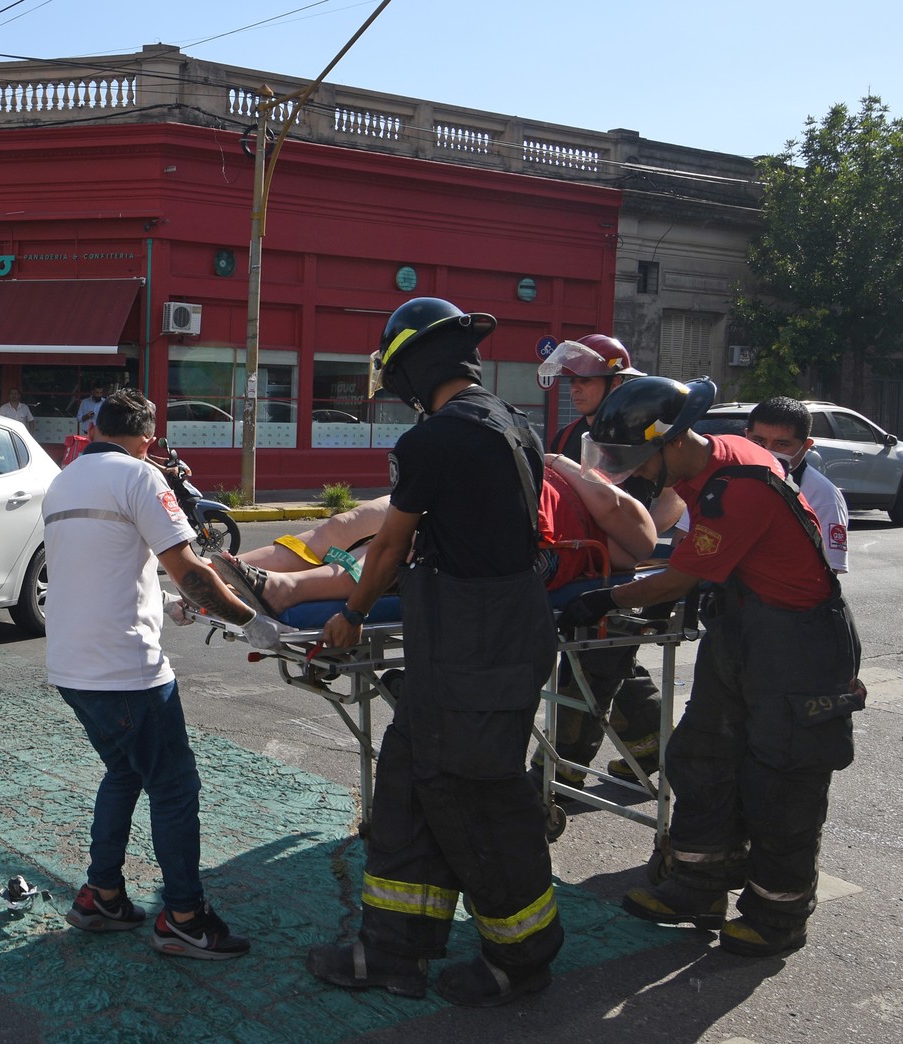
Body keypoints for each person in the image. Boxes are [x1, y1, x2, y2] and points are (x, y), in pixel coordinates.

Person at [305, 297, 563, 1006]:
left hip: (471, 644)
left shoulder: (436, 438)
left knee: (474, 799)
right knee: (410, 785)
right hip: (481, 637)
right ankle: (391, 951)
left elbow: (390, 543)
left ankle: (522, 956)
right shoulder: (511, 423)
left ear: (409, 373)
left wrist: (349, 614)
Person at [560, 376, 862, 958]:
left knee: (782, 779)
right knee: (702, 756)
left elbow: (682, 576)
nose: (641, 474)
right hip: (743, 628)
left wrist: (602, 600)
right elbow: (701, 552)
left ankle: (778, 915)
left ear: (672, 442)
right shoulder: (715, 458)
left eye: (643, 461)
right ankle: (698, 885)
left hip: (797, 643)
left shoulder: (735, 486)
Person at [44, 388, 261, 961]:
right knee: (174, 786)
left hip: (72, 667)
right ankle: (185, 918)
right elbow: (191, 570)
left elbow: (103, 569)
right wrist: (254, 621)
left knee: (123, 771)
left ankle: (103, 895)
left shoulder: (65, 481)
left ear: (96, 430)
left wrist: (163, 604)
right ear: (147, 437)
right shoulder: (142, 477)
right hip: (125, 671)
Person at [212, 457, 656, 616]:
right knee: (346, 525)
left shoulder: (616, 516)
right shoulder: (576, 472)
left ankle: (287, 590)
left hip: (516, 540)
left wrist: (559, 462)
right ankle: (213, 575)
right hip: (485, 494)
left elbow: (637, 538)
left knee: (401, 545)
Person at [536, 335, 669, 788]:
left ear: (617, 383)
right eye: (572, 381)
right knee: (614, 663)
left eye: (587, 381)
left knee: (590, 669)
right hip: (576, 565)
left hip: (614, 570)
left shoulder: (637, 438)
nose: (575, 389)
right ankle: (653, 744)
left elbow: (640, 512)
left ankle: (555, 773)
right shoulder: (569, 436)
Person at [746, 396, 847, 573]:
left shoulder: (824, 495)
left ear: (806, 445)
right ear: (746, 436)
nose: (767, 450)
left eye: (781, 444)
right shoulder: (722, 479)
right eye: (758, 441)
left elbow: (829, 570)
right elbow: (685, 538)